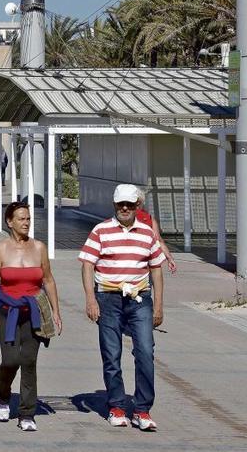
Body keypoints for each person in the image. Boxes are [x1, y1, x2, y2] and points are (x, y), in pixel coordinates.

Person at [78, 184, 166, 431]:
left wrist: (158, 304)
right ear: (114, 205)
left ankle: (142, 409)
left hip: (140, 299)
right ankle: (116, 405)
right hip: (108, 298)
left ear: (137, 205)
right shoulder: (101, 231)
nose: (125, 208)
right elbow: (87, 265)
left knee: (145, 352)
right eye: (120, 204)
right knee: (111, 354)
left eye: (130, 204)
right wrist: (90, 299)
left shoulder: (147, 233)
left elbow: (156, 269)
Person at [0, 202, 62, 431]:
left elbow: (48, 280)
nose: (26, 223)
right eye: (21, 219)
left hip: (33, 312)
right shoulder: (1, 249)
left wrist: (56, 311)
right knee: (10, 360)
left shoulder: (39, 248)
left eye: (28, 219)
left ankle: (27, 413)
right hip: (7, 312)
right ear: (10, 222)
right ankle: (2, 397)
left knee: (29, 361)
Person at [136, 190, 177, 274]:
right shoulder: (149, 218)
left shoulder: (121, 217)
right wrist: (170, 258)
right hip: (144, 262)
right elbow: (158, 240)